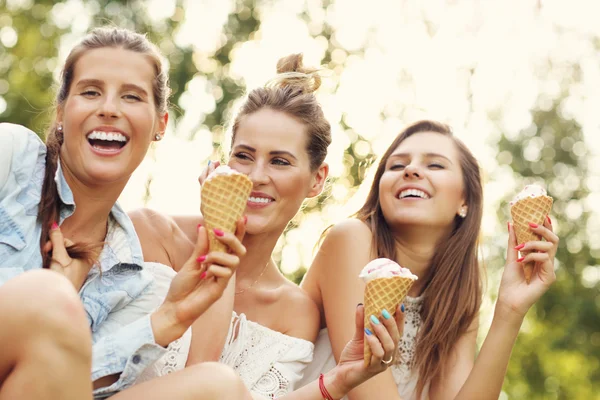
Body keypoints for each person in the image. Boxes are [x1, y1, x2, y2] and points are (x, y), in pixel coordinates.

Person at [129, 53, 404, 399]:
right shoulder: (151, 234)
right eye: (243, 156)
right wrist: (221, 239)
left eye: (279, 161)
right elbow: (198, 376)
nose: (256, 177)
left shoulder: (294, 311)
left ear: (317, 180)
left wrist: (343, 378)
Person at [0, 26, 253, 400]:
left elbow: (71, 387)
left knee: (219, 387)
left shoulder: (137, 281)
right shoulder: (12, 156)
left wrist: (169, 318)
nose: (109, 108)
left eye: (132, 97)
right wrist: (52, 296)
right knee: (49, 293)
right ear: (61, 111)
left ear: (160, 125)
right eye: (90, 92)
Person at [299, 120, 559, 399]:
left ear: (465, 201)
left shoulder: (460, 284)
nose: (411, 170)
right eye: (397, 165)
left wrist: (510, 310)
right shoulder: (350, 239)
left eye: (435, 165)